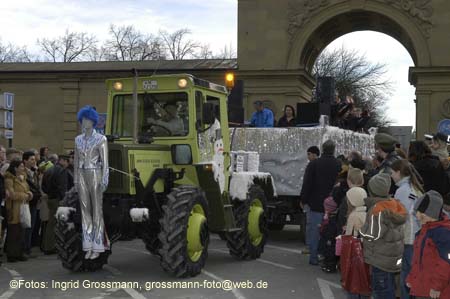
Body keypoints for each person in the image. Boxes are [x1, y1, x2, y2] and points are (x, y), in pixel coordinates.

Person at [360, 173, 407, 299]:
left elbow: (372, 234)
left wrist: (361, 229)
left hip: (380, 259)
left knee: (381, 290)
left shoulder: (377, 209)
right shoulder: (395, 204)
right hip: (393, 256)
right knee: (390, 287)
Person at [74, 106, 109, 260]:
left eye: (87, 119)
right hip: (81, 173)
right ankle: (87, 246)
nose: (84, 122)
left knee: (97, 210)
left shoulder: (101, 139)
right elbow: (75, 161)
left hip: (95, 172)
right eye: (82, 119)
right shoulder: (78, 139)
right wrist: (75, 178)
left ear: (93, 121)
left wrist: (105, 178)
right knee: (85, 211)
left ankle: (98, 246)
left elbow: (105, 162)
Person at [300, 140, 341, 265]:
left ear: (322, 149)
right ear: (333, 150)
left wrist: (303, 199)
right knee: (330, 232)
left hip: (316, 203)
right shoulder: (338, 164)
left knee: (315, 231)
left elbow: (307, 183)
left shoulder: (314, 164)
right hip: (333, 204)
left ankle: (314, 257)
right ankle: (327, 256)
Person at [390, 159, 425, 299]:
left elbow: (399, 215)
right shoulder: (414, 187)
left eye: (392, 172)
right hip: (416, 233)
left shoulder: (403, 190)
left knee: (407, 271)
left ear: (398, 172)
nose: (391, 175)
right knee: (411, 270)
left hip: (408, 236)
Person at [406, 191, 450, 299]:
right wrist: (412, 278)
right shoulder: (424, 230)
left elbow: (446, 262)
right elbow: (417, 259)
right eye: (417, 212)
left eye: (422, 213)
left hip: (433, 291)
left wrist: (437, 285)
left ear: (432, 214)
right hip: (421, 288)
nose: (418, 216)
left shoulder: (443, 233)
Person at [342, 186, 369, 299]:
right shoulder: (368, 213)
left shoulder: (353, 215)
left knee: (353, 280)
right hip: (366, 250)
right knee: (364, 279)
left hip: (354, 253)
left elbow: (349, 235)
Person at [4, 159, 33, 262]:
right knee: (13, 233)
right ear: (15, 168)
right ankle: (12, 255)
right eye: (21, 166)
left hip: (23, 207)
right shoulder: (9, 179)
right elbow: (11, 195)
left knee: (21, 232)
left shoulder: (22, 178)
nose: (23, 168)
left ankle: (19, 253)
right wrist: (25, 195)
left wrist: (29, 194)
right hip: (13, 208)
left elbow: (27, 189)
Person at [41, 155, 70, 254]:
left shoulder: (49, 170)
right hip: (58, 199)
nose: (67, 164)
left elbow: (43, 186)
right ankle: (50, 247)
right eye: (67, 162)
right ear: (63, 161)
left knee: (51, 223)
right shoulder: (62, 171)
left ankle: (48, 246)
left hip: (50, 198)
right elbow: (63, 187)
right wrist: (64, 199)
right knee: (55, 224)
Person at [22, 151, 41, 258]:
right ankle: (25, 249)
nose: (34, 161)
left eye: (34, 159)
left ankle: (28, 248)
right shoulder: (24, 172)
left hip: (34, 201)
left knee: (32, 226)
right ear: (25, 161)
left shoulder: (34, 171)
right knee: (27, 226)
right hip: (27, 201)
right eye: (31, 159)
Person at [336, 168, 365, 234]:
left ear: (348, 181)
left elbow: (342, 216)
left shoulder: (349, 196)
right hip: (360, 229)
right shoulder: (364, 193)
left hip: (347, 229)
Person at [318, 197, 338, 273]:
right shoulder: (331, 216)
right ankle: (328, 265)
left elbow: (329, 229)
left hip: (328, 238)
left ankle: (329, 267)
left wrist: (322, 228)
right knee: (329, 252)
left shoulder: (331, 218)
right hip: (328, 237)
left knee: (329, 253)